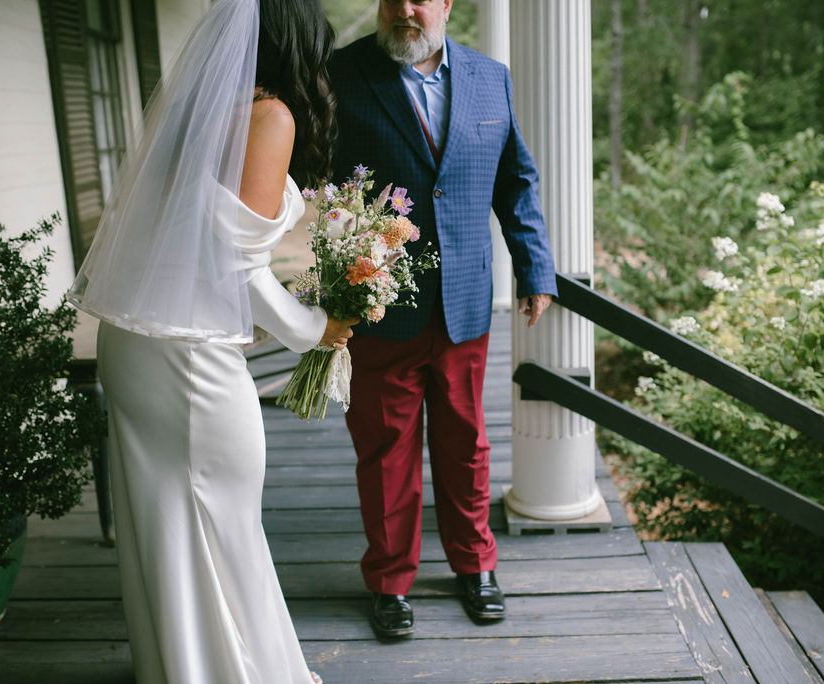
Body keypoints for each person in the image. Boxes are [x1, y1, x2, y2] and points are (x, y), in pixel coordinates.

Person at [67, 0, 351, 681]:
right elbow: (238, 266)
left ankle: (183, 667)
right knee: (223, 518)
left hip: (135, 340)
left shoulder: (194, 120)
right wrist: (318, 330)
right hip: (186, 353)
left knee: (165, 519)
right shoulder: (268, 115)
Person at [329, 0, 558, 639]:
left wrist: (534, 268)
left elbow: (516, 181)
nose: (408, 8)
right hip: (378, 304)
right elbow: (311, 178)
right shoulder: (341, 74)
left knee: (466, 442)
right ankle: (390, 581)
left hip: (464, 302)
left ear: (447, 5)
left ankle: (475, 567)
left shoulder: (491, 77)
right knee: (385, 451)